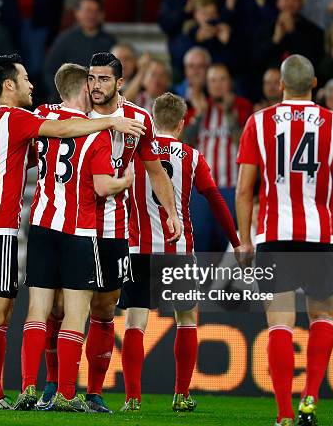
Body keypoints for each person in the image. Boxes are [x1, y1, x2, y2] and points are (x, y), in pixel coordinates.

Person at [0, 54, 146, 411]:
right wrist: (110, 122)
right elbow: (66, 130)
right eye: (25, 80)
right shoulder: (20, 118)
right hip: (3, 228)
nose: (30, 86)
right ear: (9, 85)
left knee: (7, 313)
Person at [235, 54, 333, 426]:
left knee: (279, 324)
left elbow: (244, 189)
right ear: (315, 83)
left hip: (274, 236)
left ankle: (284, 414)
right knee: (322, 316)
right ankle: (310, 398)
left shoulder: (258, 123)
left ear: (280, 86)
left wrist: (244, 239)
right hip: (320, 236)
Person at [15, 63, 134, 412]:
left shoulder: (44, 119)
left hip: (40, 226)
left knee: (38, 311)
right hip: (79, 231)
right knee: (75, 314)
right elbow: (102, 186)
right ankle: (67, 394)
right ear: (83, 88)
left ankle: (27, 389)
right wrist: (125, 181)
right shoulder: (95, 134)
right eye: (91, 84)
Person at [119, 92, 240, 412]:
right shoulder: (192, 156)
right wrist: (237, 242)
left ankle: (132, 398)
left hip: (138, 248)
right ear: (182, 124)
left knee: (135, 322)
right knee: (186, 320)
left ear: (153, 120)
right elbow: (216, 201)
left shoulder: (134, 154)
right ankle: (181, 394)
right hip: (179, 249)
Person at [76, 52, 181, 413]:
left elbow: (155, 170)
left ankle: (93, 393)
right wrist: (108, 126)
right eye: (91, 78)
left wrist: (172, 212)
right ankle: (50, 390)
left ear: (120, 83)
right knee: (62, 307)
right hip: (71, 224)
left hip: (115, 228)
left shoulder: (140, 119)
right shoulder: (75, 113)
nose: (95, 86)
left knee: (104, 310)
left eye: (104, 79)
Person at [184, 63, 252, 252]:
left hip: (232, 187)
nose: (218, 84)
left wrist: (230, 114)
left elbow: (244, 144)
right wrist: (199, 115)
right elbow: (184, 143)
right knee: (200, 237)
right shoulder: (197, 107)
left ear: (230, 82)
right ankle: (200, 281)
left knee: (231, 240)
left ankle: (230, 282)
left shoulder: (243, 106)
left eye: (222, 79)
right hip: (201, 190)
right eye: (213, 80)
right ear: (207, 83)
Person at [43, 0, 116, 99]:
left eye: (96, 11)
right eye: (88, 11)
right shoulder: (64, 39)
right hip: (66, 98)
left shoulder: (109, 42)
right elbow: (49, 70)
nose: (92, 15)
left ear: (101, 15)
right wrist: (63, 95)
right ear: (77, 13)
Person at [255, 0, 324, 72]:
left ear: (301, 3)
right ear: (278, 2)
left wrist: (292, 32)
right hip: (269, 78)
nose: (289, 4)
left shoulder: (314, 31)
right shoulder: (264, 27)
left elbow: (310, 61)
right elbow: (257, 60)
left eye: (294, 0)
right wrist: (276, 40)